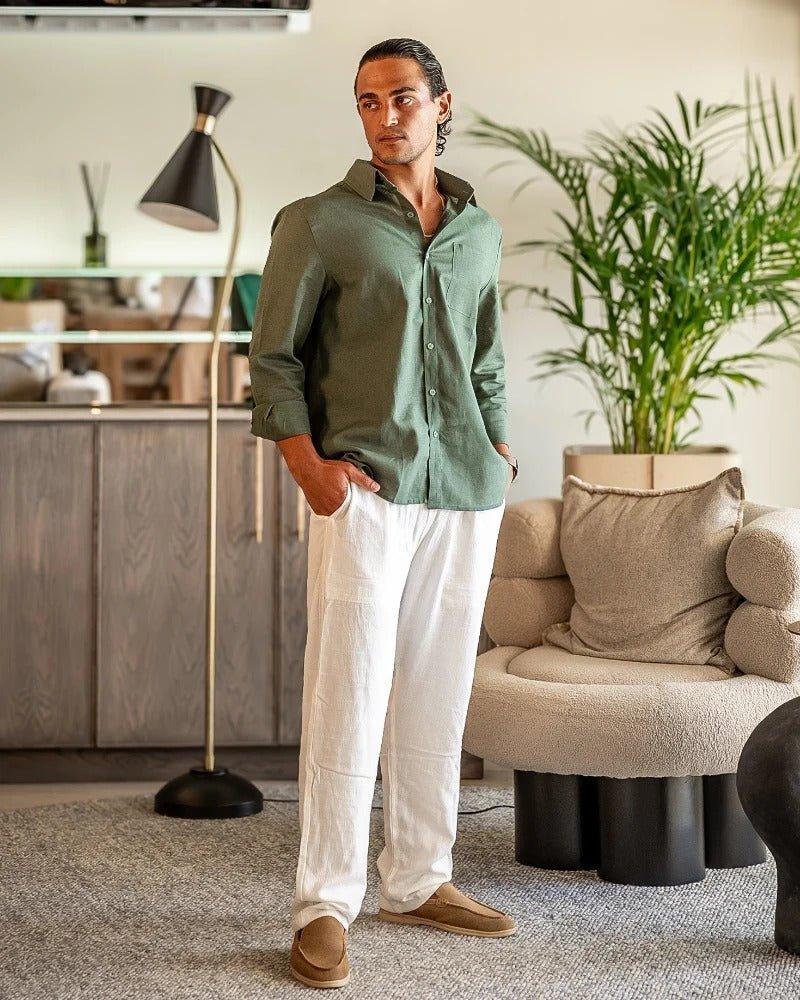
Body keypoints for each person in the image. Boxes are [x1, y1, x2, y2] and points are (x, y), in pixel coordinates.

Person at [248, 35, 519, 990]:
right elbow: (273, 359)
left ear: (442, 105)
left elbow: (485, 356)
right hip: (364, 488)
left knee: (438, 694)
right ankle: (323, 903)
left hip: (465, 493)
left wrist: (495, 444)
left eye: (402, 97)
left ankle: (420, 877)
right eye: (367, 101)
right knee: (348, 694)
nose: (385, 115)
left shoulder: (479, 231)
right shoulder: (317, 223)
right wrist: (306, 467)